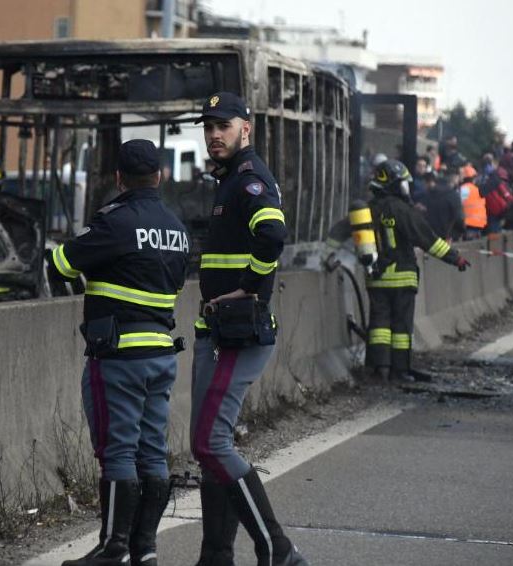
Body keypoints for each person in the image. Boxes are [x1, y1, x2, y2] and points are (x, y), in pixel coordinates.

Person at [49, 140, 189, 566]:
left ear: (118, 179)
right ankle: (144, 548)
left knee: (118, 452)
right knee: (151, 451)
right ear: (160, 177)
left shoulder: (114, 223)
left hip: (118, 357)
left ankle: (113, 549)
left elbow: (59, 264)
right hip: (162, 355)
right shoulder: (176, 228)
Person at [191, 91, 307, 566]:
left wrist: (250, 287)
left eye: (224, 125)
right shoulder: (228, 179)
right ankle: (216, 555)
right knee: (209, 446)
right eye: (208, 126)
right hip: (219, 331)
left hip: (237, 333)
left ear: (246, 128)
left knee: (209, 443)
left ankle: (276, 548)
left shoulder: (248, 178)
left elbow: (274, 234)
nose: (215, 134)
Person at [328, 160, 470, 383]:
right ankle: (399, 370)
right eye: (404, 184)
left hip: (376, 277)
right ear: (395, 185)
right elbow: (429, 241)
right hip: (402, 277)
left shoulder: (367, 210)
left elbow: (339, 231)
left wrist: (324, 253)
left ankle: (377, 368)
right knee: (401, 328)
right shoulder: (403, 211)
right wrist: (456, 258)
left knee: (379, 325)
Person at [417, 171, 464, 239]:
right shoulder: (452, 194)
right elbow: (458, 216)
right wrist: (461, 230)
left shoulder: (429, 196)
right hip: (449, 235)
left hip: (433, 235)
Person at [458, 164, 487, 240]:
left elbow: (459, 204)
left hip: (469, 224)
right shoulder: (477, 189)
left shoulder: (464, 189)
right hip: (480, 224)